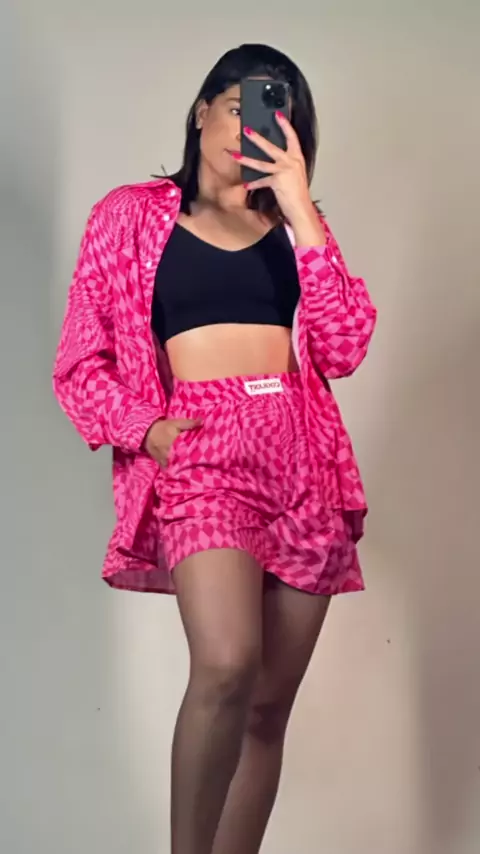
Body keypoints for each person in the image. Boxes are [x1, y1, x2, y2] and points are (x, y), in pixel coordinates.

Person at [53, 42, 377, 854]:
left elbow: (344, 347)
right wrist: (146, 429)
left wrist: (301, 210)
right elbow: (80, 362)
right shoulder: (130, 217)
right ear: (202, 110)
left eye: (276, 118)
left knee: (266, 710)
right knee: (227, 666)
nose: (252, 127)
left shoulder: (297, 229)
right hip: (205, 451)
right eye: (240, 107)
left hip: (303, 456)